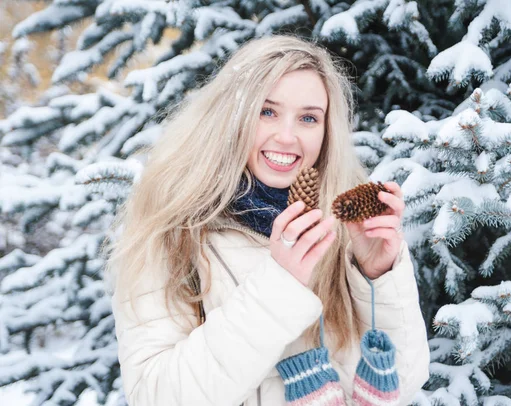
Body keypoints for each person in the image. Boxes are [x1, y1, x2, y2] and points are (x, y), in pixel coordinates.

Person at [105, 35, 429, 406]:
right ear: (233, 115)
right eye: (267, 111)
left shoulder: (343, 229)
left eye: (308, 118)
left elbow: (400, 386)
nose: (287, 137)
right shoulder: (169, 228)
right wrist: (280, 284)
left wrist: (378, 277)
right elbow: (156, 397)